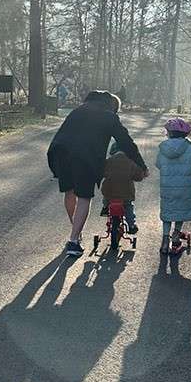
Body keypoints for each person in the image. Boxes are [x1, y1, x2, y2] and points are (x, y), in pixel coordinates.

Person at [48, 90, 148, 257]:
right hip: (85, 157)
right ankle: (73, 241)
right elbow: (125, 142)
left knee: (69, 191)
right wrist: (142, 166)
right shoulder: (109, 116)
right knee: (84, 197)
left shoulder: (78, 110)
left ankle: (76, 232)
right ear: (113, 107)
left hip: (60, 153)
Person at [156, 118, 191, 255]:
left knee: (167, 212)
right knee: (179, 211)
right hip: (184, 188)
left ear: (169, 133)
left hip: (167, 187)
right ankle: (176, 235)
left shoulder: (163, 148)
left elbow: (158, 164)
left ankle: (165, 240)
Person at [100, 141, 145, 234]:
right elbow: (138, 176)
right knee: (128, 207)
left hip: (110, 192)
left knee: (106, 198)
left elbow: (101, 172)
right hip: (126, 194)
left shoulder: (108, 161)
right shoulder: (131, 162)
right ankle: (131, 225)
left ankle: (105, 207)